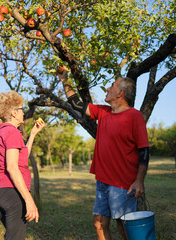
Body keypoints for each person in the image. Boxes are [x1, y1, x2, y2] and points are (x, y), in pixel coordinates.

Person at [57, 69, 150, 240]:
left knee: (124, 227)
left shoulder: (134, 116)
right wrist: (64, 80)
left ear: (120, 93)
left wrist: (139, 181)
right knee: (99, 224)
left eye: (112, 86)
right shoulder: (103, 112)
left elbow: (144, 150)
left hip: (122, 183)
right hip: (102, 181)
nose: (107, 89)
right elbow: (77, 104)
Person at [0, 90, 45, 240]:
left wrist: (33, 134)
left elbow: (20, 160)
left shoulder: (0, 132)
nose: (23, 112)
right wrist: (29, 200)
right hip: (11, 192)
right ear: (14, 112)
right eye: (21, 108)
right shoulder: (13, 133)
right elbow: (12, 167)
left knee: (12, 234)